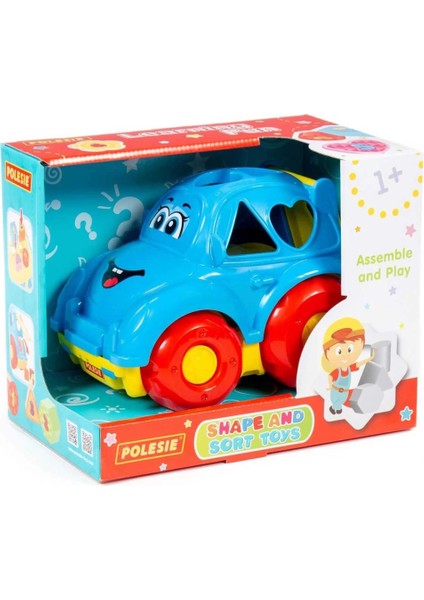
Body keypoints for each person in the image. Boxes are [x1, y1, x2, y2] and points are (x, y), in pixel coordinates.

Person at [321, 318, 374, 415]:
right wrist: (331, 386)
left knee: (342, 400)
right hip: (336, 391)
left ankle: (337, 408)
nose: (345, 356)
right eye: (339, 352)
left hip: (345, 392)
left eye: (349, 350)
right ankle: (335, 407)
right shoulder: (337, 371)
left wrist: (369, 358)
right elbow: (330, 376)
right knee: (336, 400)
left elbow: (358, 363)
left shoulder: (349, 368)